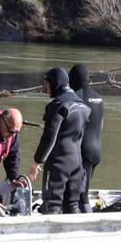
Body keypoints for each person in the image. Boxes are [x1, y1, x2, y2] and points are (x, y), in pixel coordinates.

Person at [30, 67, 90, 214]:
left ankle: (49, 236)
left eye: (46, 83)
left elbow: (49, 138)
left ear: (55, 83)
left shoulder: (58, 105)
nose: (44, 88)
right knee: (72, 204)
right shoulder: (83, 105)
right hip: (77, 163)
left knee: (52, 205)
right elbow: (80, 137)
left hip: (58, 164)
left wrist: (36, 162)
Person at [69, 63, 104, 213]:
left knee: (80, 197)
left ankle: (84, 227)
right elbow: (101, 125)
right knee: (82, 193)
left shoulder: (77, 96)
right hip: (96, 150)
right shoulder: (99, 97)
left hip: (83, 153)